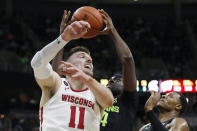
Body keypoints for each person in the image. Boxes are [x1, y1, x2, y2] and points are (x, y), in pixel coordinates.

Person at [52, 9, 138, 131]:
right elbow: (56, 75)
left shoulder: (127, 100)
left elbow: (128, 60)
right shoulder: (90, 95)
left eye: (119, 79)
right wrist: (62, 37)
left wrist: (112, 31)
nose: (112, 81)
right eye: (111, 80)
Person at [30, 12, 114, 131]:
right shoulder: (57, 84)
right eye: (81, 56)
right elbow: (37, 63)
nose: (89, 60)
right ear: (66, 64)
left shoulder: (96, 91)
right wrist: (63, 38)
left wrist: (85, 78)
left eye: (90, 59)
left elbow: (109, 102)